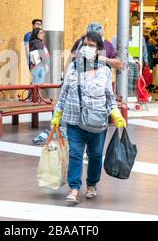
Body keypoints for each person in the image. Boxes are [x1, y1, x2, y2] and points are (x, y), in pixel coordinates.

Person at [51, 32, 127, 204]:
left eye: (91, 45)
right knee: (76, 154)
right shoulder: (72, 68)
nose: (87, 48)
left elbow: (109, 96)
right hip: (74, 120)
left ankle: (92, 184)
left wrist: (116, 113)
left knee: (95, 155)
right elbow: (63, 94)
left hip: (97, 121)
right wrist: (57, 114)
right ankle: (74, 188)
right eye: (85, 44)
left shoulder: (105, 71)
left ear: (99, 50)